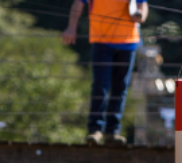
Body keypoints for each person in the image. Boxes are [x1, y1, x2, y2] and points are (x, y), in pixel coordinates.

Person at [62, 0, 148, 146]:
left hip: (128, 42)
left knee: (120, 87)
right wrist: (71, 27)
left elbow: (142, 6)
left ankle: (112, 131)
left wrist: (140, 15)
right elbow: (78, 3)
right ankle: (95, 130)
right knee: (100, 85)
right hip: (101, 41)